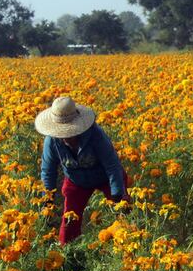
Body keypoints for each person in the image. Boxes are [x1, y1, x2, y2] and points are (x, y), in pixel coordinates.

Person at [36, 96, 130, 245]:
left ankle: (128, 246)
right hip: (76, 180)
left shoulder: (95, 135)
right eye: (61, 133)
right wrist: (47, 200)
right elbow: (48, 171)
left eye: (69, 133)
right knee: (69, 222)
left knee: (124, 213)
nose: (65, 138)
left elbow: (112, 165)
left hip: (105, 177)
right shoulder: (52, 141)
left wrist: (118, 195)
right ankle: (69, 253)